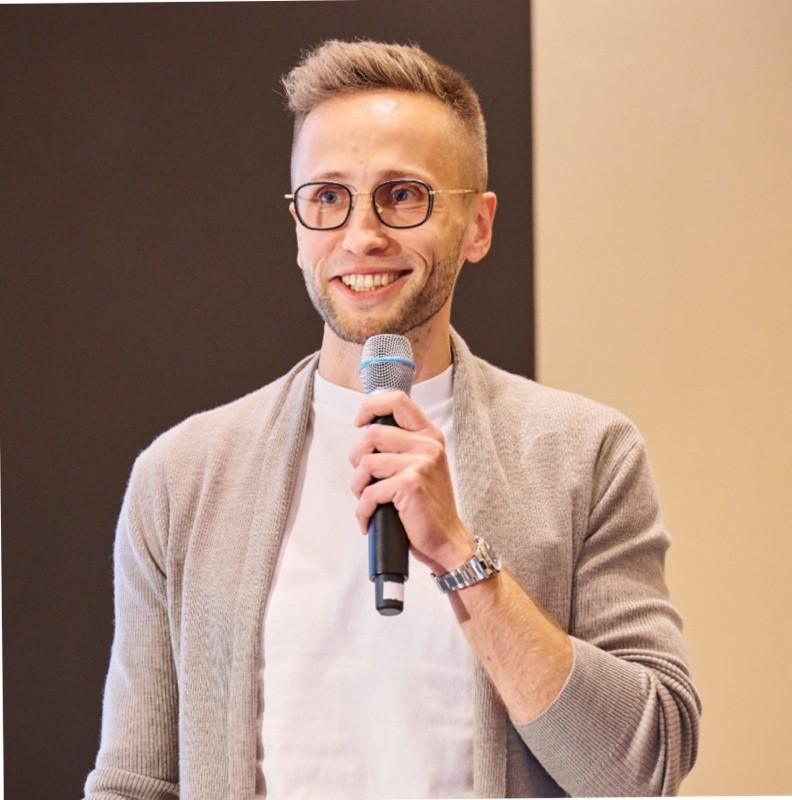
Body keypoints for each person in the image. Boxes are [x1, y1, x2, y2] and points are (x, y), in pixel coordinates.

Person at [84, 39, 700, 799]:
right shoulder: (183, 477)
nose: (362, 235)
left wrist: (459, 554)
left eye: (403, 195)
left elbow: (644, 767)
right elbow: (134, 782)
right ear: (298, 225)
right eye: (327, 197)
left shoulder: (588, 454)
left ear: (478, 226)